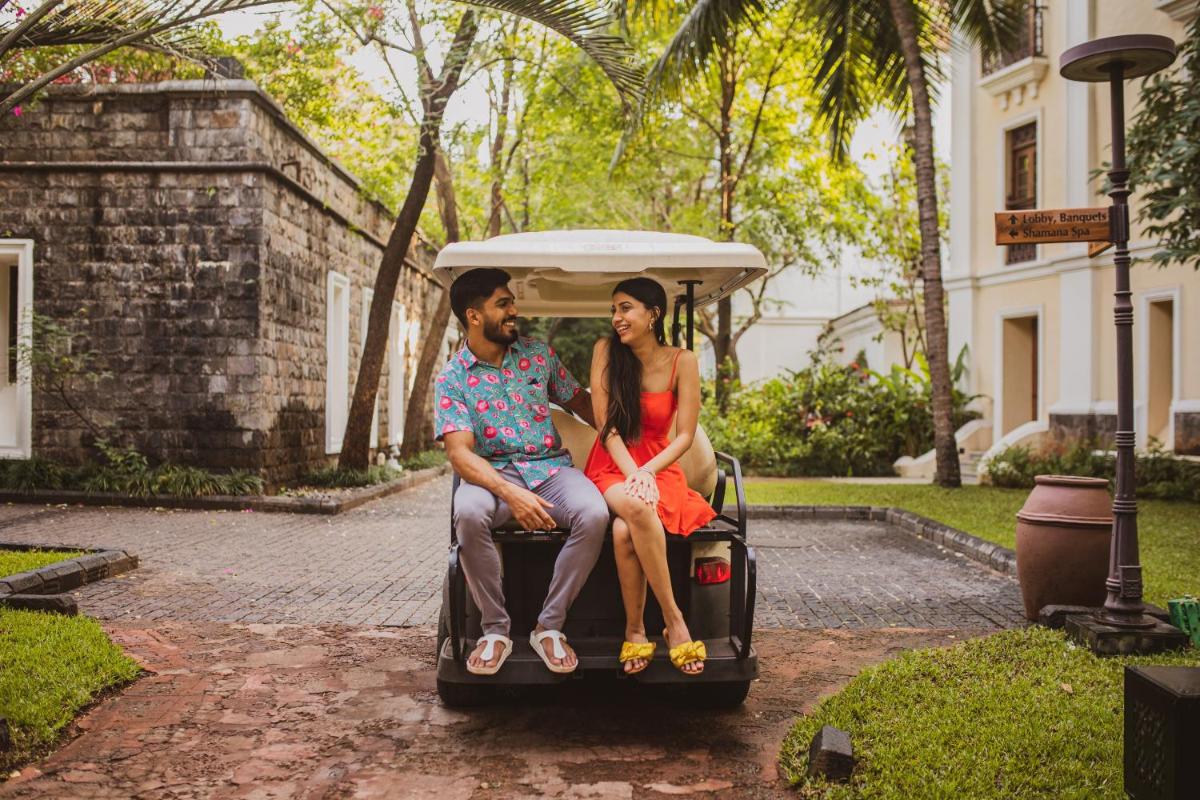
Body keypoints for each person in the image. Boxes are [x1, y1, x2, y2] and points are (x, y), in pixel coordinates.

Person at [435, 268, 609, 677]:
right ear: (473, 315)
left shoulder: (537, 355)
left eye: (511, 301)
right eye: (503, 304)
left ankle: (549, 627)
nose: (514, 310)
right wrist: (513, 495)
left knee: (594, 513)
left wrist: (630, 433)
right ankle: (495, 630)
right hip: (490, 474)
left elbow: (581, 403)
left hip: (551, 469)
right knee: (469, 513)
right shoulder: (453, 378)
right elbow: (461, 456)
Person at [583, 277, 716, 677]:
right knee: (639, 506)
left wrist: (648, 471)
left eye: (626, 308)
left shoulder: (683, 361)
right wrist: (634, 473)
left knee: (626, 530)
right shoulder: (605, 351)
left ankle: (636, 629)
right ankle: (675, 622)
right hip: (613, 464)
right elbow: (606, 428)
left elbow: (686, 435)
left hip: (659, 467)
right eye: (613, 310)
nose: (617, 318)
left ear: (653, 313)